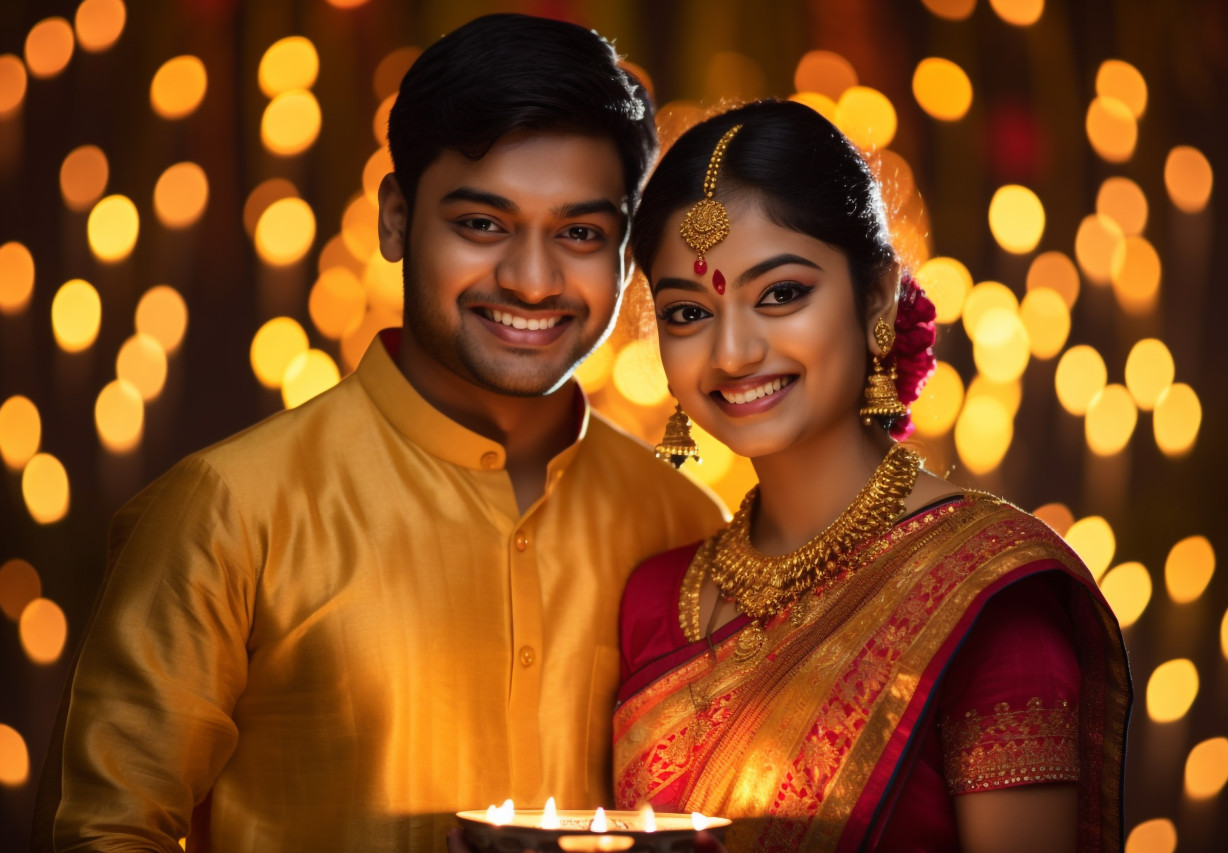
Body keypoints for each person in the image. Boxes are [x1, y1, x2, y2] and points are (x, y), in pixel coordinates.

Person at [32, 14, 725, 852]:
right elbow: (103, 832)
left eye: (580, 233)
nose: (532, 280)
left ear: (626, 254)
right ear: (396, 219)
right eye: (483, 224)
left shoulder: (685, 526)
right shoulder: (231, 510)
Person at [611, 100, 1132, 852]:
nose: (732, 353)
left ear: (878, 296)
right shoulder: (653, 600)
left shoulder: (986, 596)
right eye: (687, 313)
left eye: (781, 294)